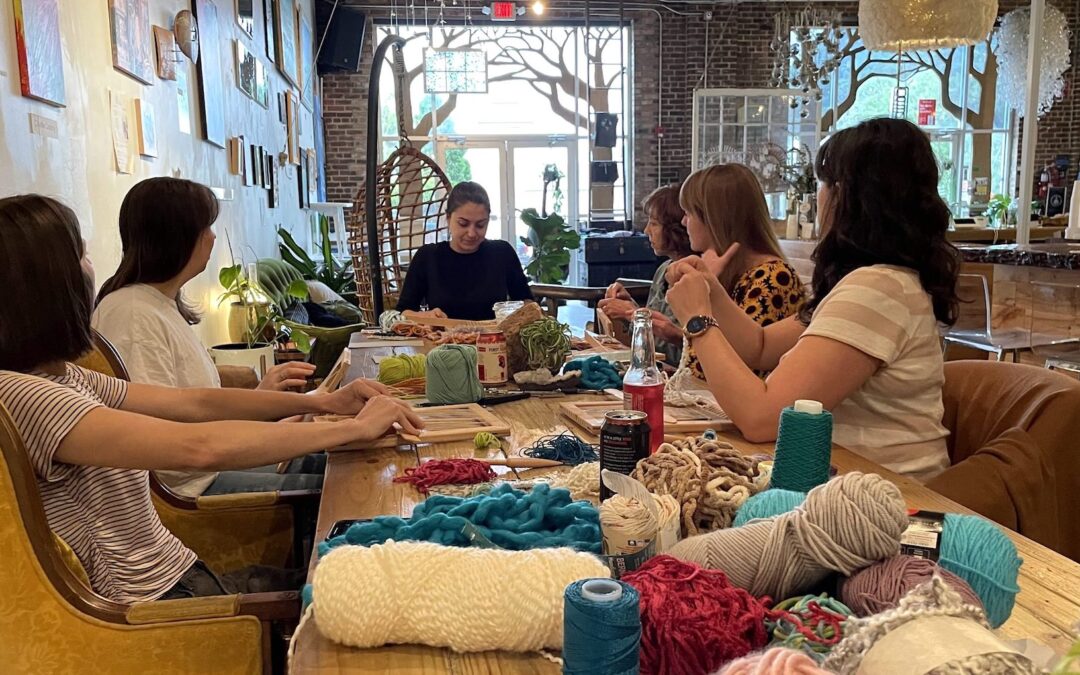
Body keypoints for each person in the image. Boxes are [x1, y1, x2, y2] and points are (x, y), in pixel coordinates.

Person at [0, 194, 424, 601]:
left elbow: (195, 404)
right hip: (152, 602)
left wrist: (322, 403)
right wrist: (353, 427)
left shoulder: (65, 377)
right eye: (81, 256)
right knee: (375, 577)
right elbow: (195, 445)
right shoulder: (27, 394)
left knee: (378, 565)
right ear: (47, 283)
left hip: (179, 574)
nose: (91, 268)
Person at [665, 118, 960, 482]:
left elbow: (762, 419)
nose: (817, 197)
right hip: (852, 486)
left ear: (849, 195)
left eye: (824, 183)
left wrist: (698, 320)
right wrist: (710, 289)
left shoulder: (878, 290)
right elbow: (758, 346)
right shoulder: (874, 283)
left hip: (890, 499)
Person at [93, 177, 322, 497]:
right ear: (179, 237)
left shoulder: (157, 304)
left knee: (340, 459)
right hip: (191, 488)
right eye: (207, 227)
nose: (213, 237)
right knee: (333, 486)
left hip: (210, 468)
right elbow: (164, 437)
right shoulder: (133, 315)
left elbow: (193, 404)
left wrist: (261, 400)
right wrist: (265, 425)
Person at [678, 163, 806, 376]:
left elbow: (714, 368)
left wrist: (706, 289)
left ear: (714, 219)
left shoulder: (773, 278)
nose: (683, 222)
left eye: (688, 213)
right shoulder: (729, 272)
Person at [396, 181, 533, 321]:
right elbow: (402, 313)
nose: (472, 233)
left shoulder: (502, 253)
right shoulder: (428, 257)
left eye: (480, 225)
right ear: (448, 219)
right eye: (463, 224)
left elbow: (527, 303)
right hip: (442, 340)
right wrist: (426, 316)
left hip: (493, 340)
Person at [598, 183, 692, 365]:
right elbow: (652, 339)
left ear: (676, 228)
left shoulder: (695, 277)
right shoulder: (663, 269)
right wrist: (629, 307)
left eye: (654, 224)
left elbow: (680, 353)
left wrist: (630, 313)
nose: (646, 230)